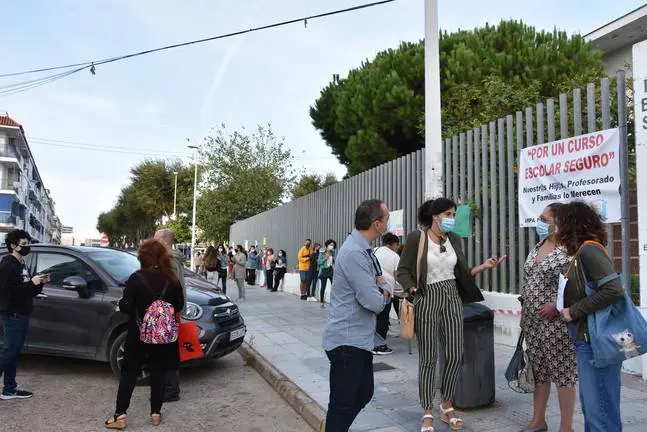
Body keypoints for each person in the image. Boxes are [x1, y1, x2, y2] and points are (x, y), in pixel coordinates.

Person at [397, 198, 505, 432]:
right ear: (435, 216)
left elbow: (461, 274)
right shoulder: (419, 238)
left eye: (453, 214)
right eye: (448, 214)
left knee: (455, 354)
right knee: (428, 359)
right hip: (428, 297)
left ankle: (447, 406)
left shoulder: (453, 239)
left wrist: (484, 267)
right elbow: (402, 270)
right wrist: (413, 289)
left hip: (453, 297)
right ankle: (427, 410)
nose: (451, 218)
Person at [322, 199, 392, 432]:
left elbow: (375, 285)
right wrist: (386, 290)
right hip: (346, 341)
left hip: (359, 340)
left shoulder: (362, 249)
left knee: (363, 393)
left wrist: (379, 286)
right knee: (342, 405)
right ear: (376, 224)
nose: (388, 221)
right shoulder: (354, 253)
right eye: (386, 217)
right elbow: (373, 301)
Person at [557, 201, 625, 432]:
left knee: (600, 412)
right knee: (594, 409)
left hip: (595, 342)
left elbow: (613, 290)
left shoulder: (589, 250)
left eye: (559, 223)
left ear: (571, 224)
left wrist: (573, 311)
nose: (556, 229)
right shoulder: (581, 252)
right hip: (586, 340)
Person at [104, 239, 184, 429]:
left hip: (138, 333)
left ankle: (120, 415)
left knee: (129, 372)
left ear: (142, 258)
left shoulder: (136, 278)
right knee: (158, 372)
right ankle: (155, 413)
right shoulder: (171, 279)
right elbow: (179, 305)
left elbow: (127, 306)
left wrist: (125, 305)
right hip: (162, 336)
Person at [519, 204, 577, 432]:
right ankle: (538, 420)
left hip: (556, 324)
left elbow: (575, 286)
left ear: (558, 222)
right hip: (532, 323)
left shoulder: (568, 250)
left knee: (563, 374)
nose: (540, 222)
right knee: (539, 371)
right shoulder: (539, 245)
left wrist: (556, 305)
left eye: (544, 219)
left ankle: (566, 427)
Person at [0, 230, 48, 400]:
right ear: (13, 245)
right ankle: (9, 387)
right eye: (24, 244)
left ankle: (9, 389)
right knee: (8, 352)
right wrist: (31, 283)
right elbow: (9, 293)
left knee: (13, 353)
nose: (27, 247)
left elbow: (27, 292)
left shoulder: (21, 264)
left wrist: (39, 284)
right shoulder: (7, 265)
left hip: (22, 314)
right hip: (12, 315)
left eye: (28, 243)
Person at [153, 229, 186, 403]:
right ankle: (170, 388)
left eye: (156, 238)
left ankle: (171, 390)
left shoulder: (168, 261)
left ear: (165, 240)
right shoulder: (175, 258)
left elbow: (167, 288)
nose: (153, 240)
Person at [373, 233, 402, 355]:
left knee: (373, 318)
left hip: (371, 289)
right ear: (393, 244)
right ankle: (379, 346)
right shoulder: (395, 257)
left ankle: (370, 342)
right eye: (396, 244)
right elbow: (398, 276)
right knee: (383, 318)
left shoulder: (375, 250)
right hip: (385, 291)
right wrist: (400, 291)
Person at [317, 239, 337, 307]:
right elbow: (319, 262)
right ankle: (322, 301)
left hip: (331, 270)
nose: (332, 246)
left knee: (334, 286)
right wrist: (325, 258)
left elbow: (334, 262)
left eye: (333, 245)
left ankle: (334, 301)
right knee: (323, 287)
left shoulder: (333, 252)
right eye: (331, 245)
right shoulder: (322, 252)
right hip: (324, 270)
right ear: (327, 245)